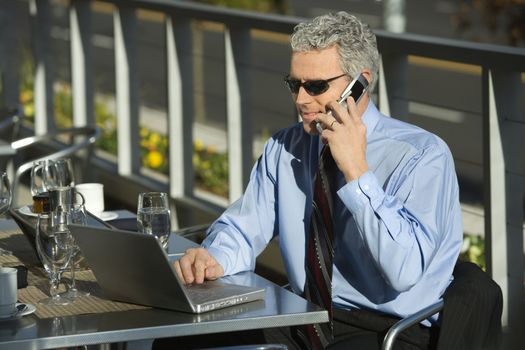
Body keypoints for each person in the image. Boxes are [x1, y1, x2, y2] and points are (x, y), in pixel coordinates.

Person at [172, 11, 463, 350]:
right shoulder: (286, 147)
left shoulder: (422, 155)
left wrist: (357, 172)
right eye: (294, 84)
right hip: (304, 314)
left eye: (315, 86)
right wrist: (214, 257)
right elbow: (242, 228)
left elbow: (404, 270)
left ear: (361, 82)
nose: (300, 100)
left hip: (389, 329)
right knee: (180, 340)